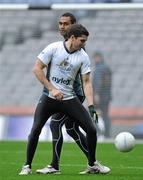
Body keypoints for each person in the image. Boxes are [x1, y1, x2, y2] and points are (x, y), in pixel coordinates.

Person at [19, 24, 110, 175]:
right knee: (35, 130)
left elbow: (86, 82)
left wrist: (91, 105)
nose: (84, 44)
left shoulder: (83, 56)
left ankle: (92, 164)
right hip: (49, 98)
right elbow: (37, 69)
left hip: (69, 99)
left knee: (92, 130)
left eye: (85, 41)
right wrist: (52, 89)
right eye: (82, 40)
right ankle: (27, 166)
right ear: (72, 38)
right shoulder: (53, 48)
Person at [35, 12, 89, 175]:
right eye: (60, 23)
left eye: (66, 24)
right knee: (71, 129)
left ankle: (54, 166)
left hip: (71, 95)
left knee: (55, 124)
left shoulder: (77, 46)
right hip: (61, 94)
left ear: (73, 27)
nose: (61, 27)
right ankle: (93, 161)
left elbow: (82, 78)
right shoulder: (59, 46)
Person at [92, 52, 112, 138]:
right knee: (105, 115)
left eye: (95, 58)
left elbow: (98, 82)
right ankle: (107, 134)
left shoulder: (99, 68)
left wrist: (96, 94)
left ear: (98, 58)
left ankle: (98, 131)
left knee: (93, 113)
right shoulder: (107, 68)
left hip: (99, 96)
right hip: (107, 96)